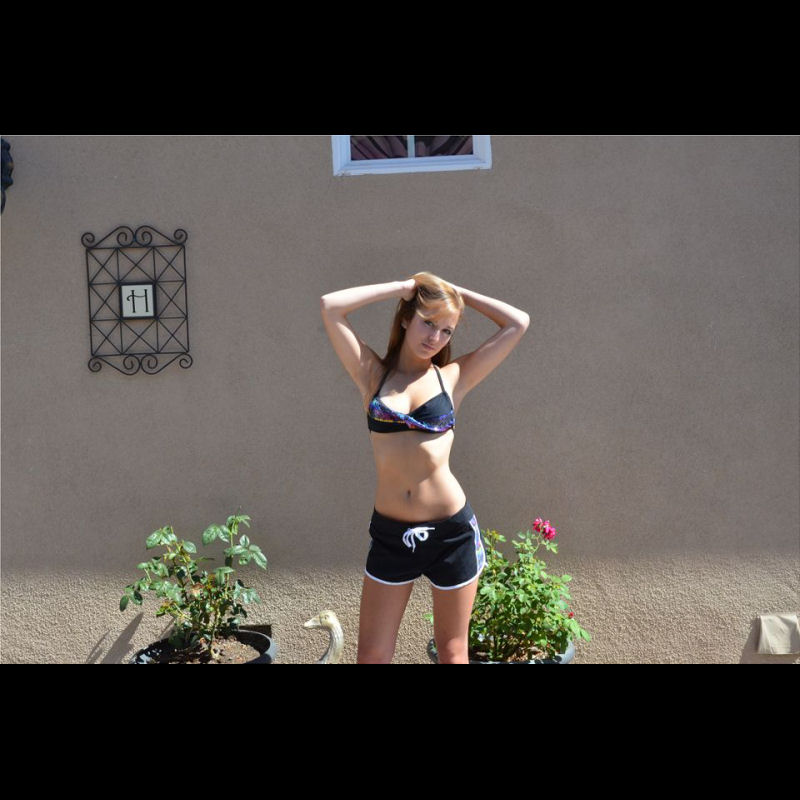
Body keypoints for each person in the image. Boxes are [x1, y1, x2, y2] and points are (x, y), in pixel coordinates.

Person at [320, 273, 530, 663]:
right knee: (372, 654)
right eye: (428, 322)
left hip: (452, 533)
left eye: (446, 330)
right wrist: (402, 288)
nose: (435, 337)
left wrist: (458, 294)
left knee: (452, 651)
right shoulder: (372, 375)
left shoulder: (453, 378)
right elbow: (331, 307)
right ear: (405, 318)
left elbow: (518, 322)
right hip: (391, 535)